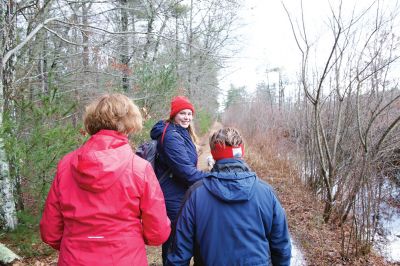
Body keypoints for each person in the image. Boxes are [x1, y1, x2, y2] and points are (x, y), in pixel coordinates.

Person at [40, 93, 171, 266]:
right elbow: (157, 233)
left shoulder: (66, 165)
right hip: (126, 258)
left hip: (74, 258)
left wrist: (77, 243)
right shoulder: (139, 168)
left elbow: (50, 232)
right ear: (129, 125)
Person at [166, 127, 292, 266]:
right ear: (241, 153)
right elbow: (281, 248)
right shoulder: (266, 192)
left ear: (214, 155)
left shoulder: (195, 194)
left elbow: (179, 252)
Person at [150, 95, 207, 263]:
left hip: (180, 194)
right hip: (172, 198)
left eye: (190, 114)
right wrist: (213, 178)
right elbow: (186, 172)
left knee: (179, 242)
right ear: (174, 114)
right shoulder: (171, 136)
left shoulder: (181, 132)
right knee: (175, 246)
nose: (187, 117)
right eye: (183, 113)